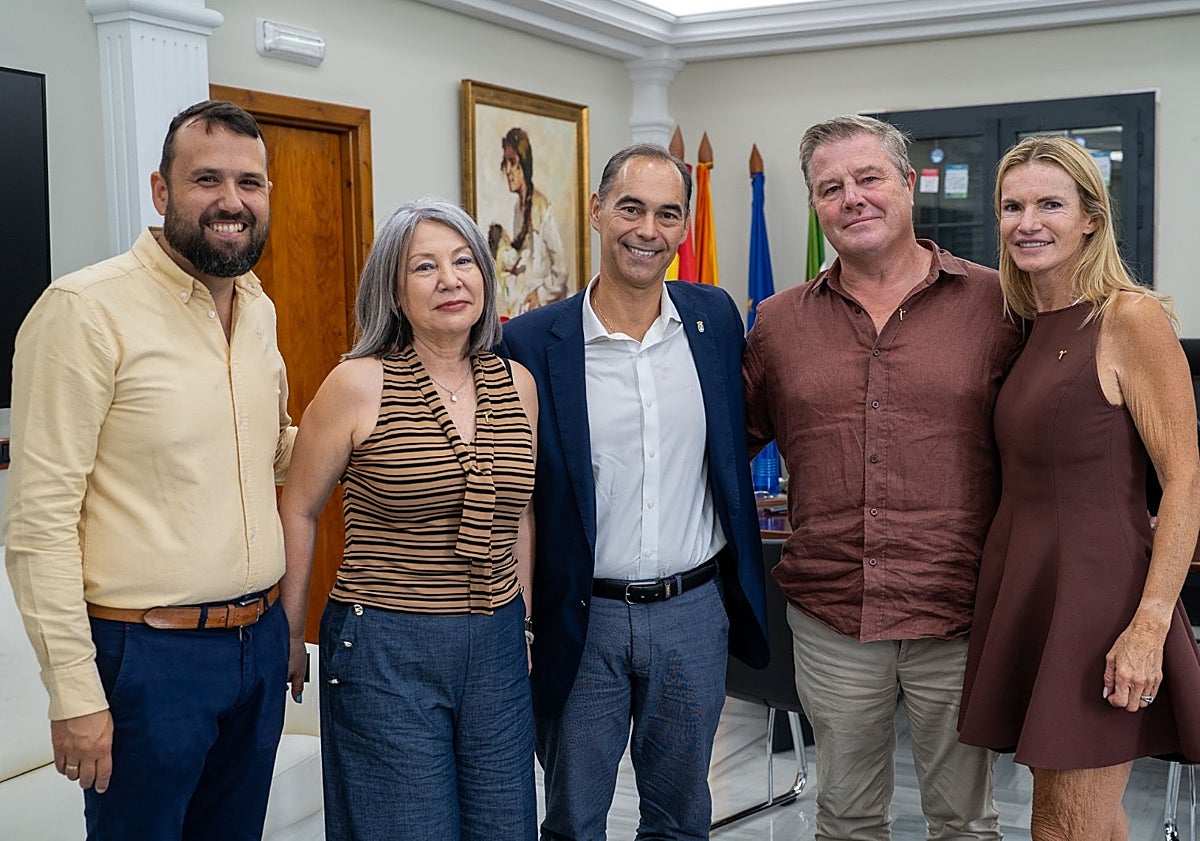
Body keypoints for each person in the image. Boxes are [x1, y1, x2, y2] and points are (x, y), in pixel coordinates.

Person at [3, 100, 294, 839]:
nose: (232, 201)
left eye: (250, 183)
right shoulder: (84, 311)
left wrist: (380, 424)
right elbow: (39, 524)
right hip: (146, 659)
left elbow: (271, 452)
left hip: (257, 644)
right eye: (207, 180)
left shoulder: (257, 309)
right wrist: (75, 691)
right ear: (162, 192)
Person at [743, 114, 1022, 839]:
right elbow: (717, 446)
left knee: (965, 821)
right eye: (830, 188)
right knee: (845, 819)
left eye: (868, 178)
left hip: (958, 610)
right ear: (815, 206)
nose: (852, 198)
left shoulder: (999, 306)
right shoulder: (776, 324)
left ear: (907, 185)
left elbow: (1048, 440)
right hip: (834, 611)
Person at [501, 143, 769, 839]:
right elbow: (518, 497)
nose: (647, 229)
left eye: (667, 213)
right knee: (573, 819)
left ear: (684, 228)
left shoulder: (713, 321)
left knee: (682, 819)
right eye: (630, 207)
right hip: (582, 616)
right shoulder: (531, 341)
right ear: (596, 212)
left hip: (692, 613)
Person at [958, 135, 1200, 839]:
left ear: (1091, 217)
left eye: (1050, 204)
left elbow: (1185, 479)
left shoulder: (1128, 317)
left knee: (1064, 827)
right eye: (1012, 205)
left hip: (1099, 604)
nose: (1027, 221)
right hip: (1031, 590)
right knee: (1080, 818)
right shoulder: (1026, 326)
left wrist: (1151, 623)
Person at [278, 198, 540, 840]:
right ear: (394, 293)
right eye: (424, 267)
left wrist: (523, 619)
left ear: (484, 274)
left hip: (497, 643)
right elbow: (299, 507)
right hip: (386, 646)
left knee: (506, 827)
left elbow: (520, 510)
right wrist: (287, 634)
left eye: (462, 262)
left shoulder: (520, 384)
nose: (450, 279)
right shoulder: (357, 384)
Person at [494, 127, 569, 316]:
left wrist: (541, 294)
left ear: (524, 165)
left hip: (546, 310)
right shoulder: (517, 209)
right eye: (506, 163)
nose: (508, 170)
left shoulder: (541, 208)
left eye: (513, 162)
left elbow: (560, 269)